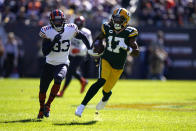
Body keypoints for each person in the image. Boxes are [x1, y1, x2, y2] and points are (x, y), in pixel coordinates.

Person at [75, 8, 140, 117]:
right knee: (101, 81)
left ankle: (106, 96)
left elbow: (136, 52)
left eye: (120, 19)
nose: (117, 21)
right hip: (106, 59)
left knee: (106, 90)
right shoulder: (107, 26)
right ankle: (81, 106)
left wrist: (128, 48)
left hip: (118, 66)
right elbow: (99, 38)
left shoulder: (130, 32)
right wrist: (95, 46)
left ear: (126, 20)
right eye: (115, 19)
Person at [37, 9, 91, 119]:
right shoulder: (46, 31)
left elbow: (82, 36)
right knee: (43, 89)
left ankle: (48, 105)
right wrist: (53, 42)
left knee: (59, 78)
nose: (58, 23)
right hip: (49, 63)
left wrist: (89, 49)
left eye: (60, 20)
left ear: (64, 20)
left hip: (63, 62)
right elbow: (45, 52)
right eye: (56, 21)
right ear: (51, 21)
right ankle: (41, 108)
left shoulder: (70, 29)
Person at [57, 16, 93, 97]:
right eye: (77, 23)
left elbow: (89, 44)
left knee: (69, 71)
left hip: (80, 54)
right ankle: (82, 80)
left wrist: (79, 50)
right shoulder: (71, 29)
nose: (79, 25)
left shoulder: (86, 32)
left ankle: (62, 92)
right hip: (70, 53)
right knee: (70, 70)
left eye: (80, 24)